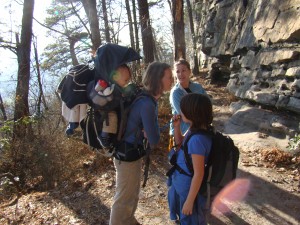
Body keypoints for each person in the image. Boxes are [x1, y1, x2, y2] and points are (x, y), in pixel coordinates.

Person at [109, 61, 174, 225]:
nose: (172, 80)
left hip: (128, 153)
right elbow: (154, 140)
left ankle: (129, 221)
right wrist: (153, 131)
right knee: (124, 199)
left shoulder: (147, 98)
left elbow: (150, 133)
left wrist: (156, 128)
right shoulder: (147, 103)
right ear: (158, 79)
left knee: (131, 196)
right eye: (169, 77)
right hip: (127, 157)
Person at [168, 93, 213, 225]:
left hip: (187, 190)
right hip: (181, 184)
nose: (180, 112)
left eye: (182, 109)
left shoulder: (197, 140)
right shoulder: (195, 129)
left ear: (192, 113)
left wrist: (189, 201)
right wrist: (176, 127)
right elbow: (181, 145)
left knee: (189, 220)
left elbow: (199, 174)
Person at [169, 59, 207, 148]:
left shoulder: (197, 87)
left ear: (189, 71)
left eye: (183, 70)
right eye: (178, 71)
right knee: (181, 159)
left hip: (199, 130)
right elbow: (185, 115)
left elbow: (207, 105)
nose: (180, 74)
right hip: (181, 133)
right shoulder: (176, 92)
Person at [96, 64, 132, 152]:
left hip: (107, 107)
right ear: (116, 77)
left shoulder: (116, 86)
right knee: (112, 117)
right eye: (126, 80)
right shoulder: (113, 87)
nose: (127, 82)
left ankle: (107, 136)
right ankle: (103, 136)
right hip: (106, 109)